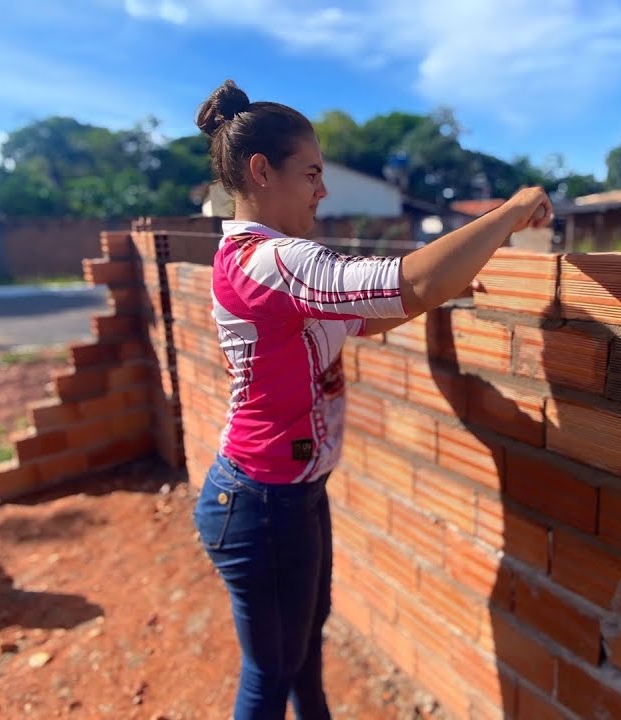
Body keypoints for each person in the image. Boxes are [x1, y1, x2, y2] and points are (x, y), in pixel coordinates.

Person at [190, 78, 553, 720]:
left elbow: (376, 311)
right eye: (312, 174)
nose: (323, 191)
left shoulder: (266, 264)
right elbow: (403, 285)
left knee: (301, 649)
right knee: (269, 674)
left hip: (284, 494)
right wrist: (511, 211)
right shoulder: (270, 261)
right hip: (262, 503)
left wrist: (447, 283)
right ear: (261, 171)